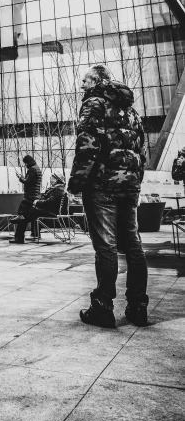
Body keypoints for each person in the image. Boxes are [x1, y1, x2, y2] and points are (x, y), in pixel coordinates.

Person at [68, 64, 148, 329]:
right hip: (130, 186)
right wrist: (135, 183)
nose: (82, 85)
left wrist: (77, 182)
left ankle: (102, 308)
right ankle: (138, 307)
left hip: (102, 185)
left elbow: (87, 145)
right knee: (133, 244)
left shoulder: (94, 104)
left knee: (106, 247)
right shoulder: (132, 111)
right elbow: (141, 152)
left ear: (98, 81)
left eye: (85, 80)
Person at [12, 172, 65, 243]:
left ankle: (19, 237)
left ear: (56, 180)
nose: (51, 179)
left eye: (52, 178)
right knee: (26, 205)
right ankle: (28, 232)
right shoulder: (57, 189)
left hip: (50, 212)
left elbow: (50, 203)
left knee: (24, 215)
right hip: (48, 210)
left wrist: (37, 202)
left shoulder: (57, 190)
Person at [15, 155, 42, 238]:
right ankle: (35, 232)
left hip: (31, 195)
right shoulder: (37, 168)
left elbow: (27, 181)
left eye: (25, 163)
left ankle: (19, 236)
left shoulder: (32, 170)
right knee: (34, 215)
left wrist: (20, 178)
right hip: (35, 194)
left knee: (23, 214)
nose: (25, 165)